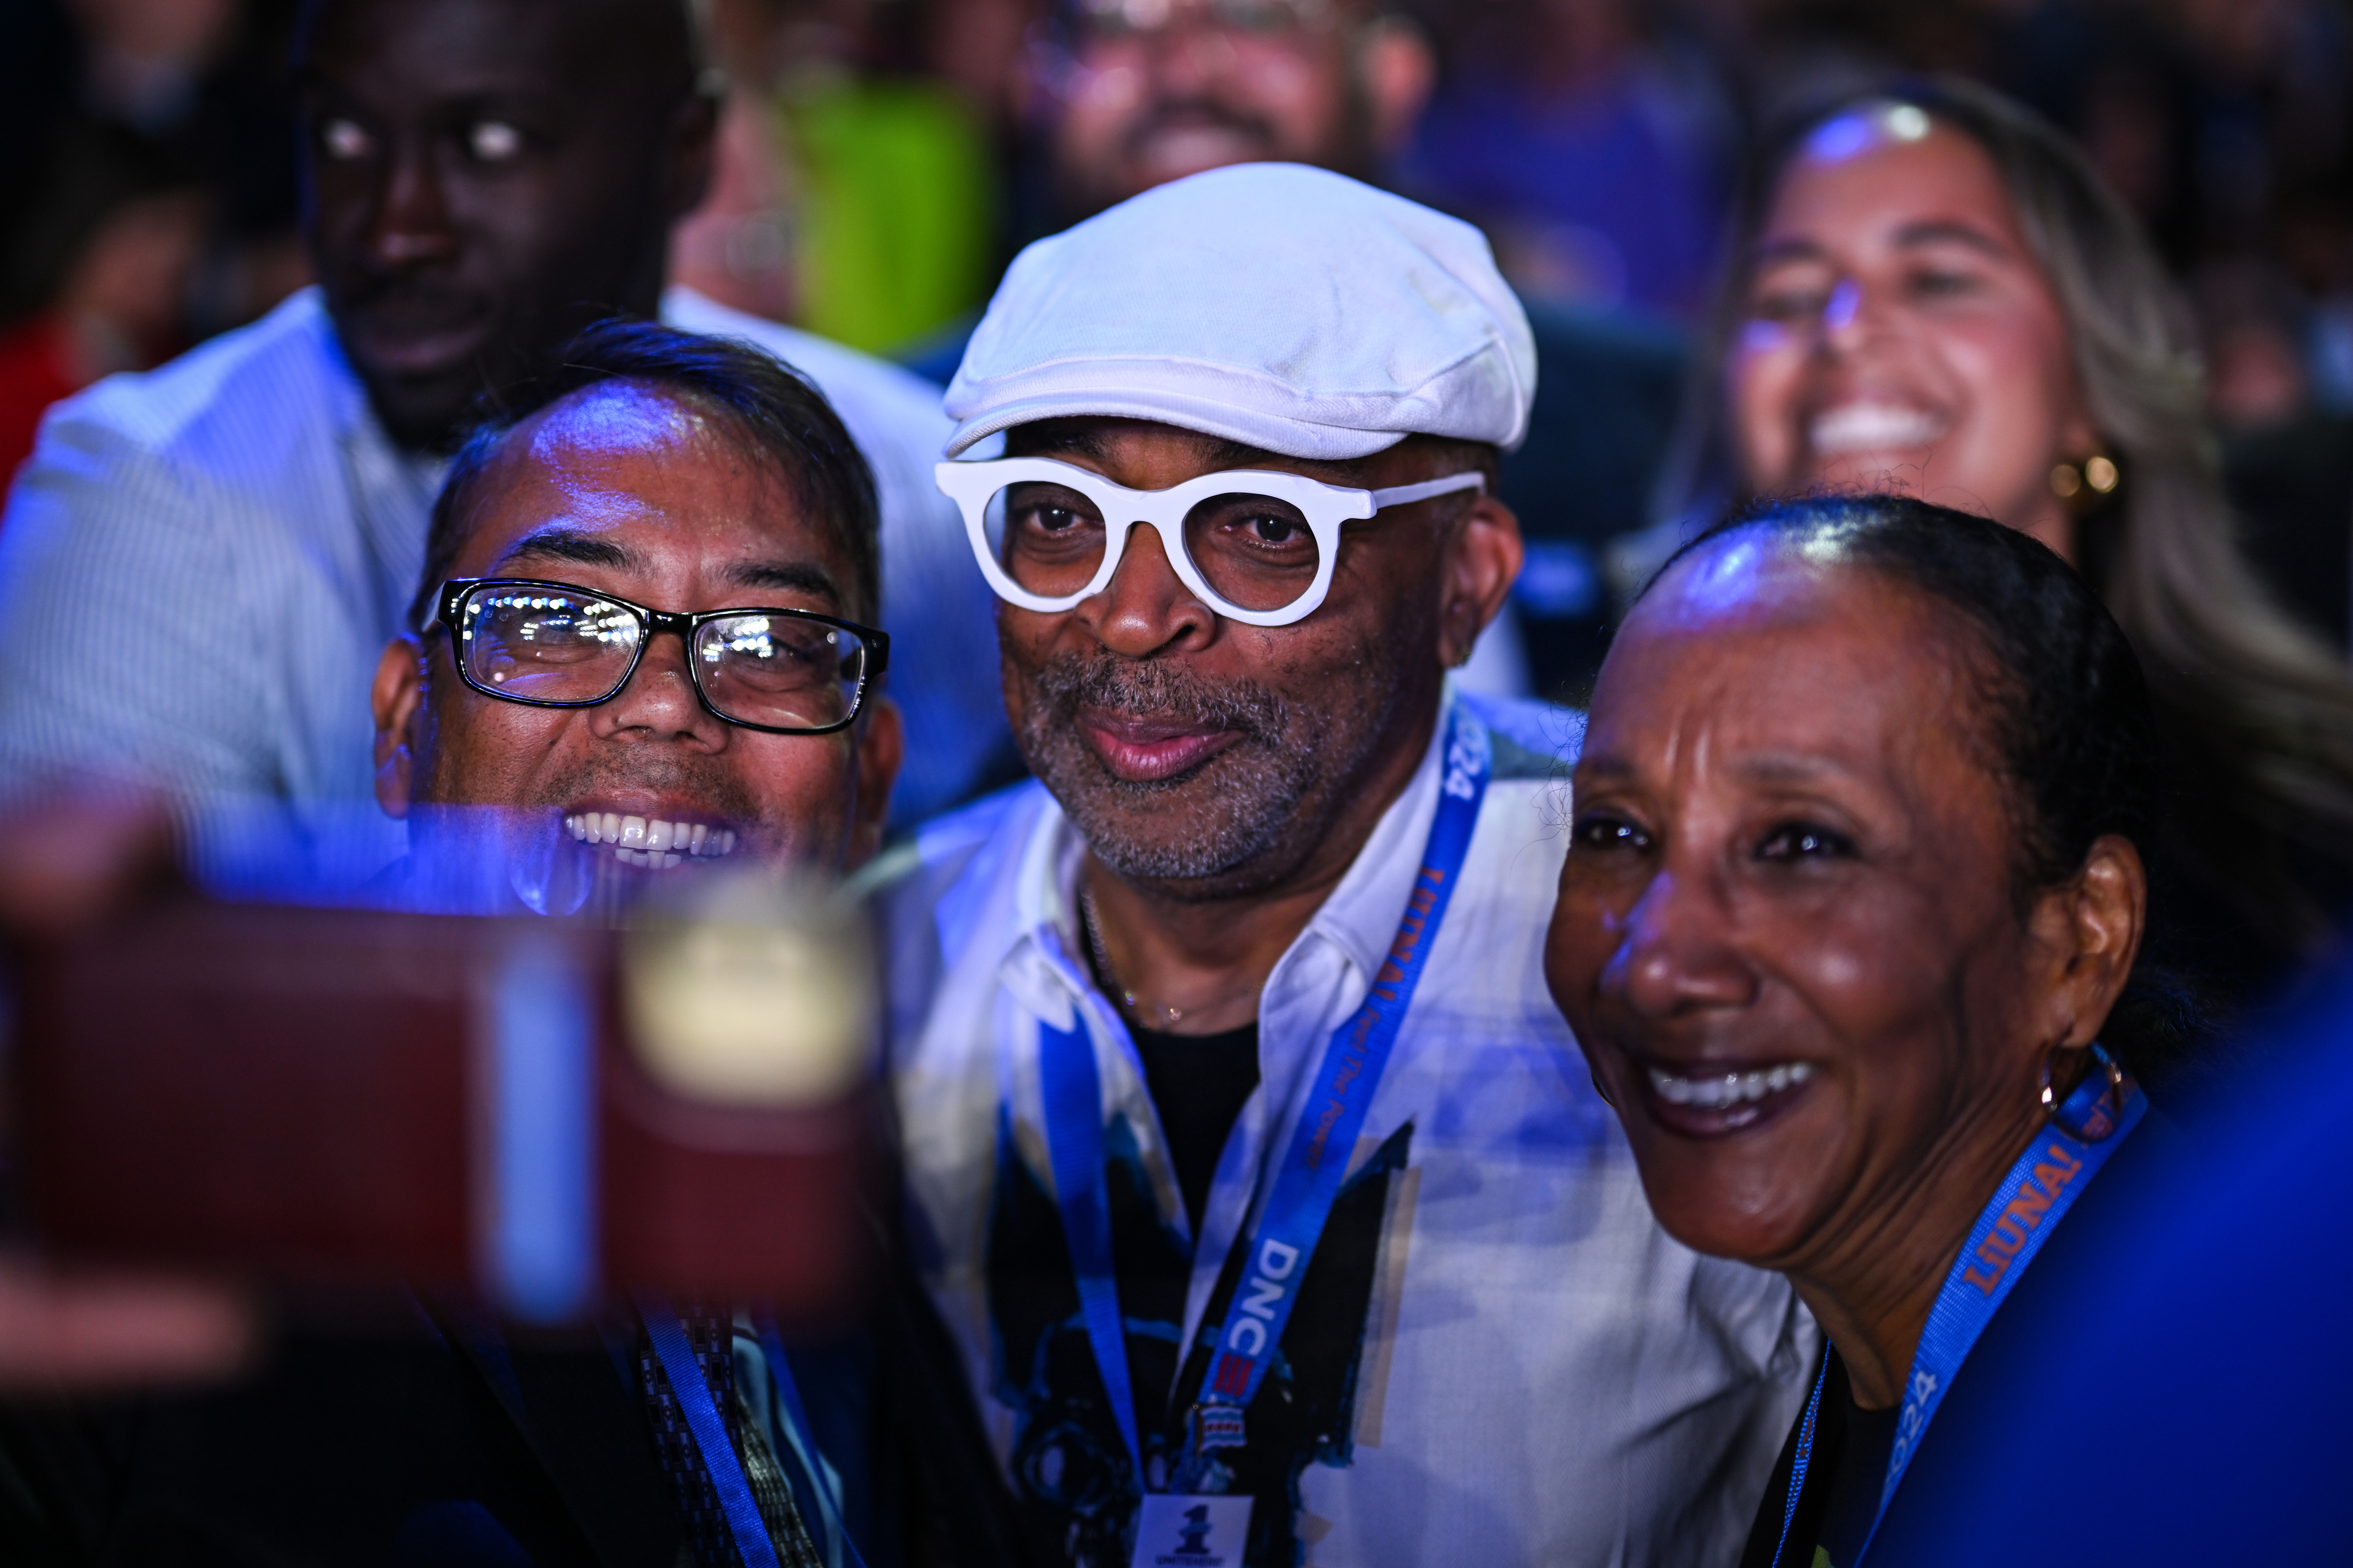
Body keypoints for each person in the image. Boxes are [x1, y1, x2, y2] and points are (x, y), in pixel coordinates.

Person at [884, 163, 1812, 1568]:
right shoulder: (869, 963)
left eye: (1260, 529)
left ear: (1466, 581)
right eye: (1058, 515)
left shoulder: (1701, 947)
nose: (1130, 618)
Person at [0, 322, 1024, 1568]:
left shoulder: (875, 1202)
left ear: (867, 782)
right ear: (400, 729)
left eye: (767, 646)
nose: (664, 702)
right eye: (552, 620)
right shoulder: (166, 1181)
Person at [0, 0, 1005, 864]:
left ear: (684, 153)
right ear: (400, 715)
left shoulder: (918, 483)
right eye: (345, 140)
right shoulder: (154, 493)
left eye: (490, 145)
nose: (395, 228)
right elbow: (123, 1035)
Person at [1548, 493, 2187, 1568]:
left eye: (1800, 845)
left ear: (2080, 945)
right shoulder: (1864, 1363)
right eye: (1617, 832)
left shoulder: (2196, 1432)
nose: (1655, 963)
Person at [1638, 76, 2353, 1025]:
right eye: (1791, 293)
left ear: (2090, 389)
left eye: (1937, 278)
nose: (1844, 331)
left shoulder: (2305, 830)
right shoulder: (1599, 784)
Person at [895, 0, 1691, 708]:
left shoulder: (1642, 411)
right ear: (1037, 82)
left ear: (1390, 77)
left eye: (1255, 16)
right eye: (1118, 22)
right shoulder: (903, 424)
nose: (1182, 68)